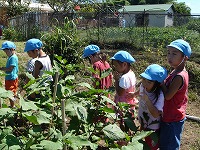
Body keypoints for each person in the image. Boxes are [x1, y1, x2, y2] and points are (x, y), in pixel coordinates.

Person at [159, 39, 192, 150]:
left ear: (185, 58)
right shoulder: (175, 71)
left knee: (170, 146)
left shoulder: (179, 76)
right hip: (169, 115)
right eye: (168, 53)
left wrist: (161, 82)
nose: (170, 56)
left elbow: (168, 96)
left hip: (173, 118)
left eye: (174, 54)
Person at [128, 64, 167, 150]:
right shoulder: (143, 86)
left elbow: (156, 114)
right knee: (141, 138)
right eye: (144, 79)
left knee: (150, 145)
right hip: (143, 120)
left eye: (149, 82)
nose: (144, 83)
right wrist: (134, 94)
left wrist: (147, 100)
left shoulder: (159, 95)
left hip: (152, 127)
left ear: (157, 84)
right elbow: (140, 90)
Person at [0, 41, 18, 108]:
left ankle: (13, 106)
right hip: (10, 78)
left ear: (12, 49)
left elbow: (10, 69)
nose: (6, 53)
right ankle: (14, 99)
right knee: (11, 91)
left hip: (11, 78)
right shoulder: (11, 57)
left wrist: (2, 69)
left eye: (6, 51)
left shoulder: (13, 58)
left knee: (10, 93)